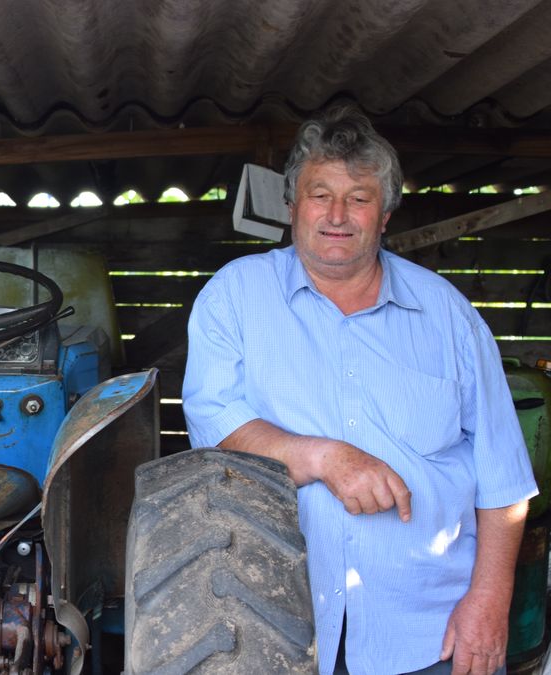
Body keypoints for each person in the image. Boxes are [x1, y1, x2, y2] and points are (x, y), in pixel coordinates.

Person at [182, 107, 537, 675]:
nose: (337, 215)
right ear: (292, 206)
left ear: (386, 215)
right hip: (273, 626)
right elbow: (215, 425)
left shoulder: (448, 315)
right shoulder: (235, 297)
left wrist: (490, 601)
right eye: (320, 195)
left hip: (430, 634)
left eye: (359, 198)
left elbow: (505, 479)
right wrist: (325, 458)